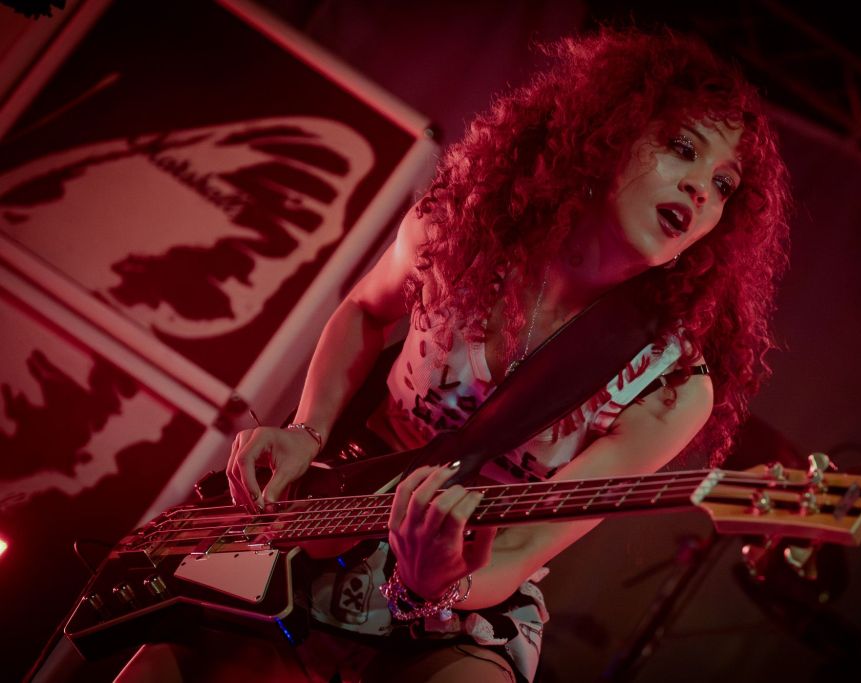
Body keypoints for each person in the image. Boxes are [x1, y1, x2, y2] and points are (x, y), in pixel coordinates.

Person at [115, 25, 789, 683]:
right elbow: (364, 310)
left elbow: (523, 547)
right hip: (329, 509)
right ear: (610, 131)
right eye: (681, 147)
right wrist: (307, 428)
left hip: (470, 576)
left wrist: (442, 582)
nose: (701, 190)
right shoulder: (464, 226)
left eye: (724, 185)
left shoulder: (672, 386)